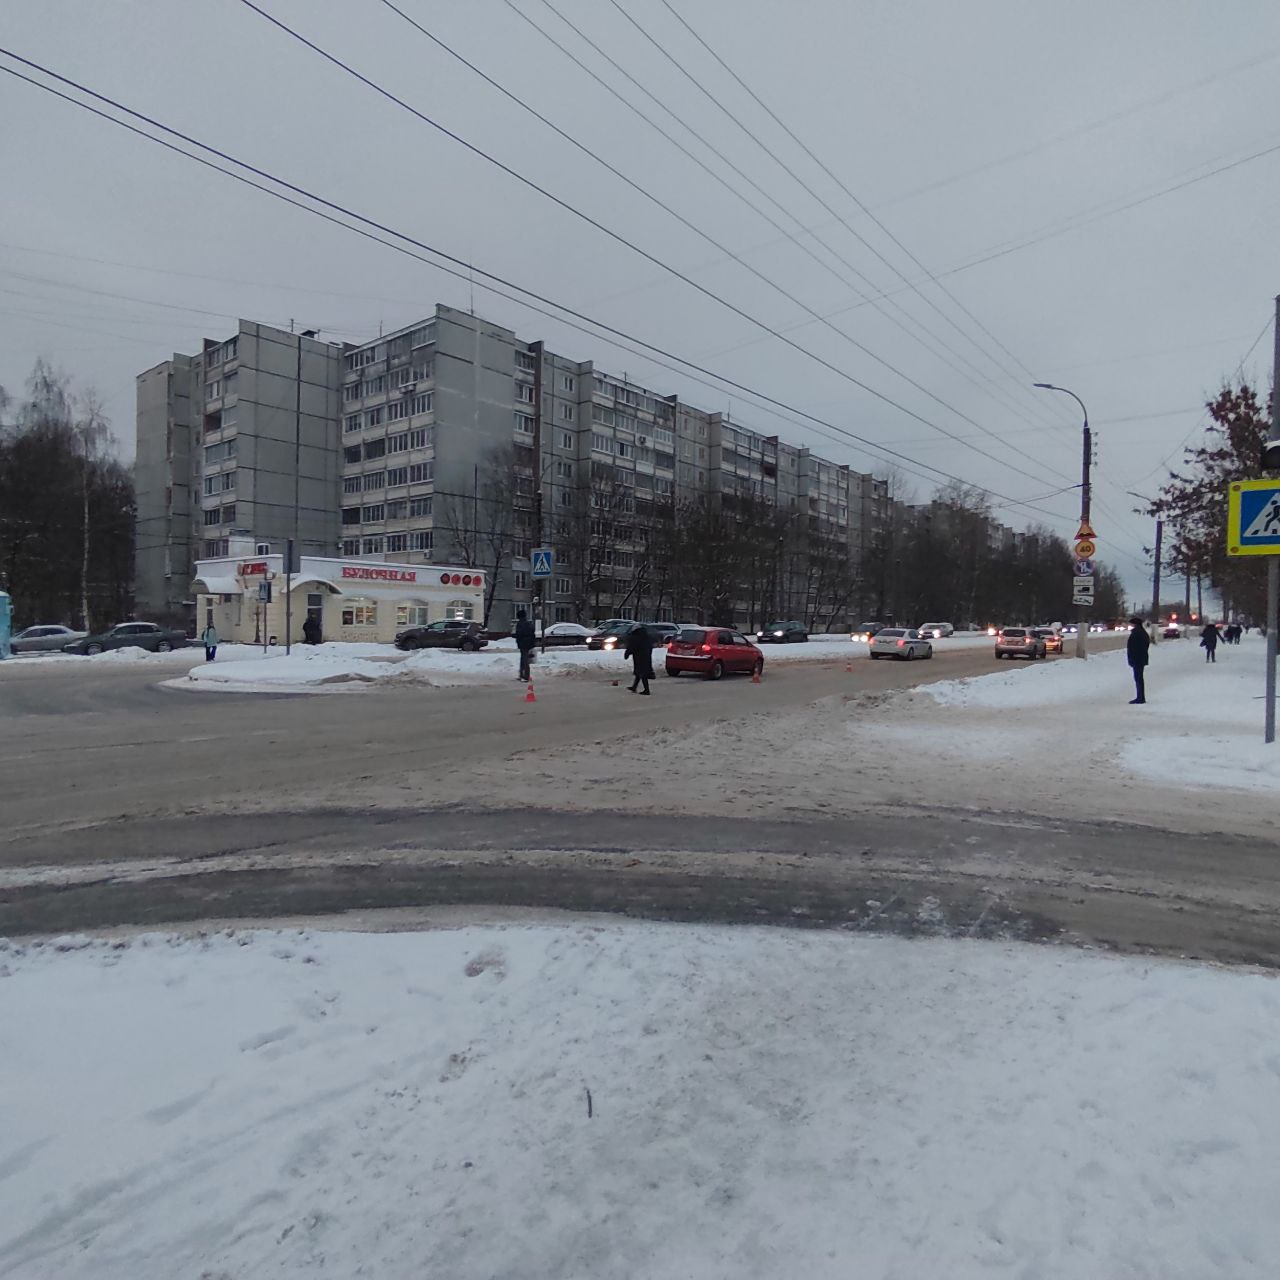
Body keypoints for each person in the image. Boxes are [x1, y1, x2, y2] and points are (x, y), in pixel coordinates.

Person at [623, 622, 654, 695]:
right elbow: (650, 646)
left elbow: (632, 646)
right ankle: (634, 687)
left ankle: (647, 690)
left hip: (639, 656)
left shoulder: (636, 636)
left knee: (642, 673)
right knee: (639, 672)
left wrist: (627, 653)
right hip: (645, 656)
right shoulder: (645, 636)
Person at [1126, 616, 1149, 704]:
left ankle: (1140, 697)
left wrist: (1132, 658)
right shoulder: (1142, 633)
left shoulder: (1137, 633)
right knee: (1139, 678)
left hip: (1137, 659)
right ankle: (1140, 696)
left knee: (1138, 678)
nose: (1130, 625)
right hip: (1140, 658)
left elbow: (1134, 647)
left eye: (1131, 624)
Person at [514, 608, 536, 682]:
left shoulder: (520, 624)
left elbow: (519, 634)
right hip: (528, 644)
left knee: (524, 660)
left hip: (523, 644)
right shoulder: (528, 623)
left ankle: (525, 676)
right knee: (525, 660)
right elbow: (533, 634)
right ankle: (523, 675)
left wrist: (518, 641)